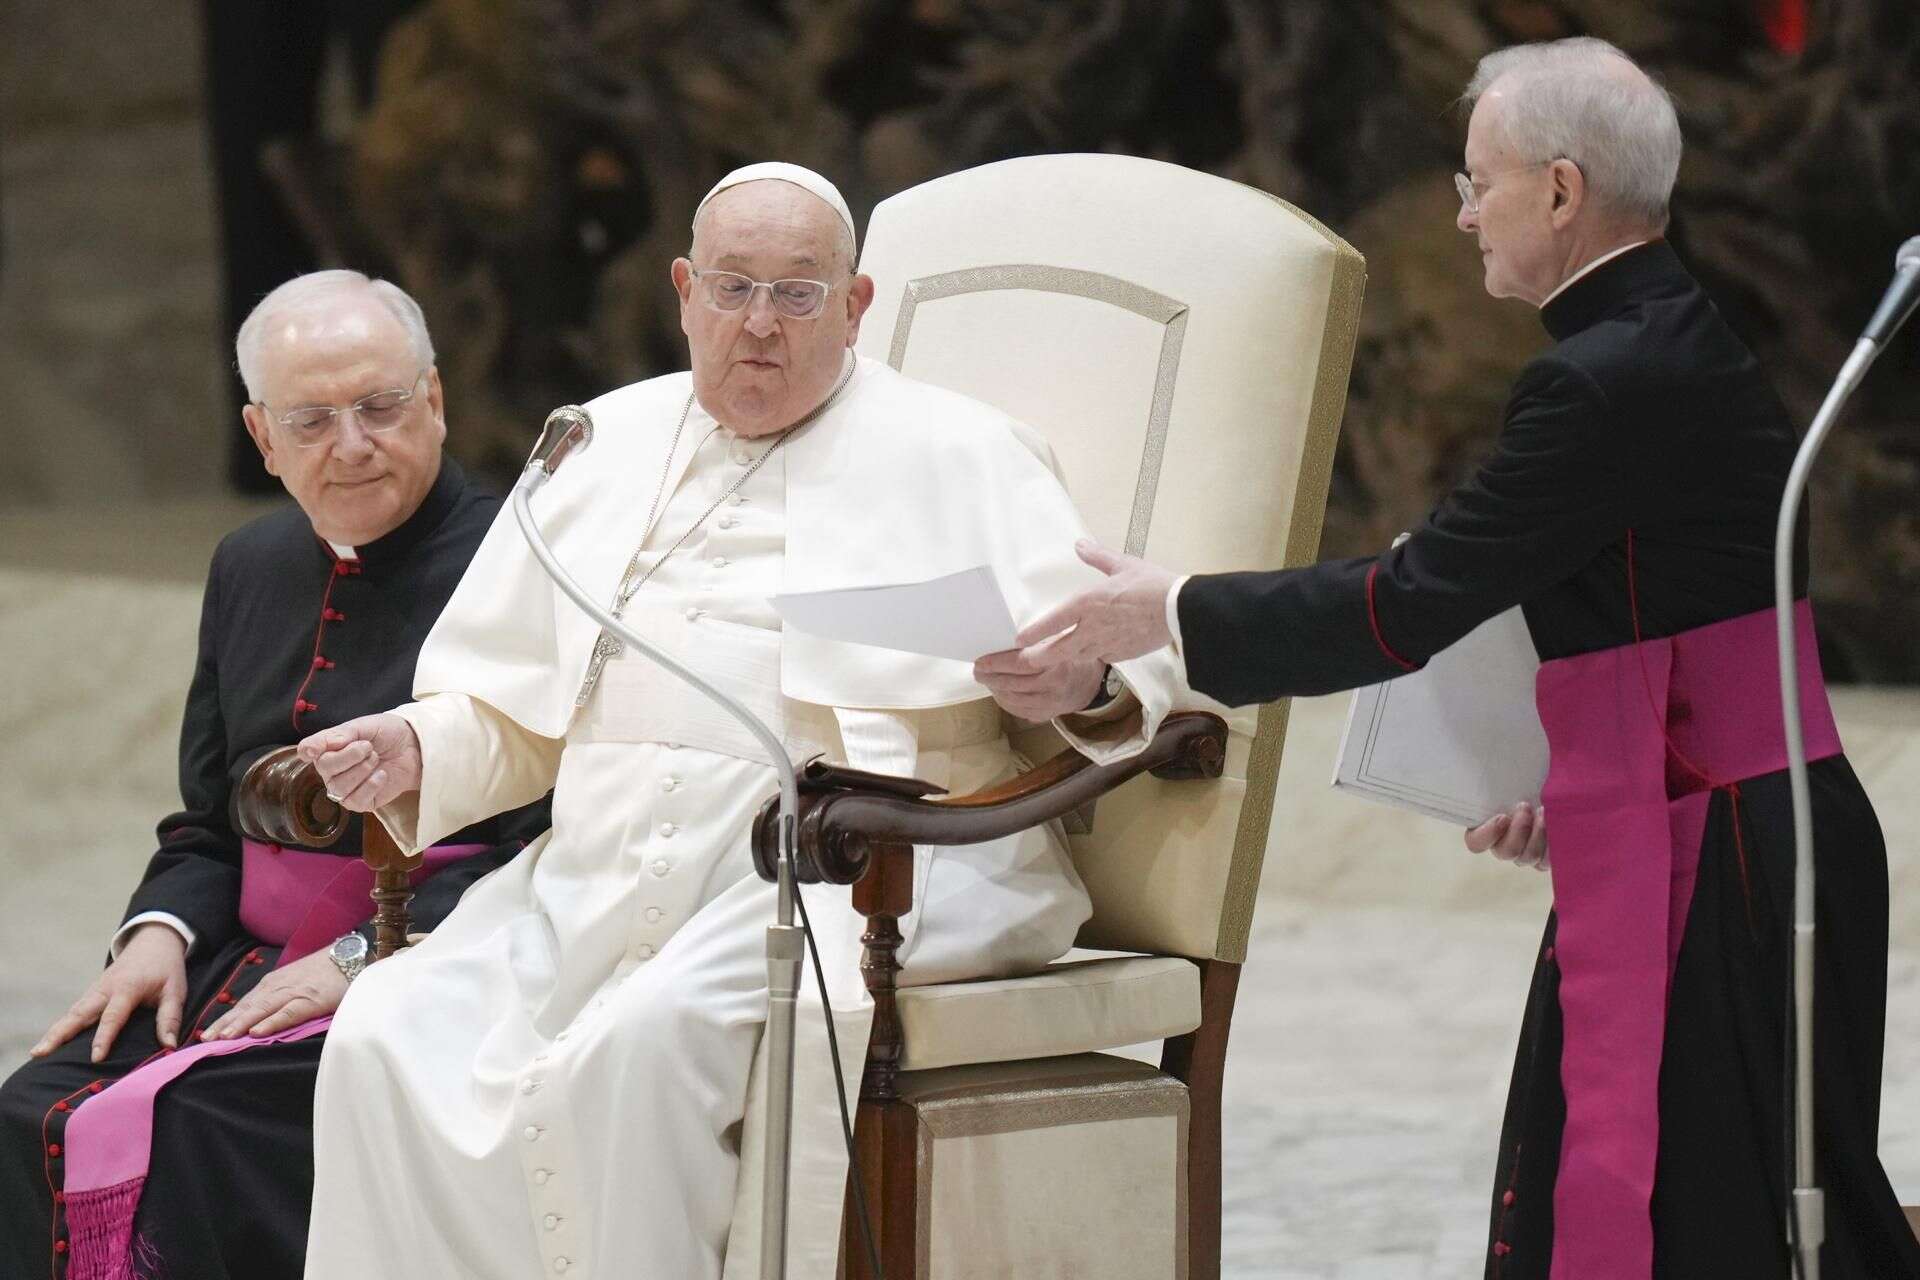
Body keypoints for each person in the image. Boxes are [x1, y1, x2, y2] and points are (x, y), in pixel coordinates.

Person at [1007, 37, 1920, 1280]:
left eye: (1477, 180)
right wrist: (1590, 777)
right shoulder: (1664, 336)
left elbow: (1412, 600)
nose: (1460, 211)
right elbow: (1668, 617)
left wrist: (1170, 610)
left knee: (1721, 1223)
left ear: (1559, 189)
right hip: (1729, 829)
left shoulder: (1607, 379)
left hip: (1736, 868)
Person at [298, 162, 1182, 1279]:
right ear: (682, 290)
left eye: (798, 293)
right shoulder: (595, 444)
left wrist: (1082, 689)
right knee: (386, 1028)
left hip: (867, 865)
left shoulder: (963, 451)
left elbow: (1129, 671)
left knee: (646, 1044)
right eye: (731, 287)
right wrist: (418, 744)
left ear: (855, 305)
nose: (758, 324)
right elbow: (512, 709)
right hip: (599, 870)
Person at [0, 271, 551, 1280]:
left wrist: (356, 955)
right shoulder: (249, 561)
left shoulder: (530, 560)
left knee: (196, 1124)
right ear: (261, 437)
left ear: (435, 399)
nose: (352, 443)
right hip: (236, 963)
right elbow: (208, 822)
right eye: (312, 418)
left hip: (433, 961)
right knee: (28, 1108)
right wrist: (157, 935)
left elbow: (548, 840)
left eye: (381, 406)